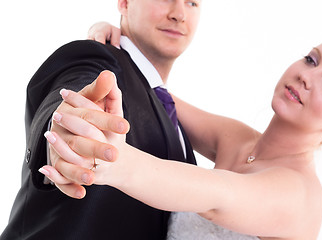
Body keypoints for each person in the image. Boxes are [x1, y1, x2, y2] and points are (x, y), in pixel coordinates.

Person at [38, 34, 322, 240]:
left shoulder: (300, 194)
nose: (307, 75)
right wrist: (120, 42)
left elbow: (216, 198)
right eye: (311, 59)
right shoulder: (237, 138)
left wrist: (113, 161)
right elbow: (161, 99)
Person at [1, 0, 201, 239]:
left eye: (192, 3)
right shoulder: (97, 58)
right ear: (125, 3)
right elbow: (76, 87)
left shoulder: (173, 117)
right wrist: (65, 133)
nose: (179, 14)